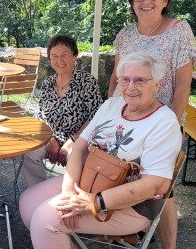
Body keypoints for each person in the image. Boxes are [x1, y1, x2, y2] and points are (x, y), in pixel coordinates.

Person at [19, 51, 182, 249]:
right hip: (89, 182)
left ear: (157, 84)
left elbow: (154, 185)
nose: (130, 87)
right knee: (27, 202)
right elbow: (79, 147)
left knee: (46, 220)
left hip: (131, 205)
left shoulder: (164, 122)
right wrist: (69, 192)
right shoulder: (112, 105)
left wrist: (94, 202)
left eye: (140, 81)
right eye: (125, 80)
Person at [107, 0, 196, 249]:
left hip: (160, 123)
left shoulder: (179, 30)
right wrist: (109, 115)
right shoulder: (125, 35)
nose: (146, 1)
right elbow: (115, 76)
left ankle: (168, 245)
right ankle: (126, 232)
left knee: (161, 187)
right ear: (132, 1)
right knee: (122, 173)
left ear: (165, 0)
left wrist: (172, 125)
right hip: (126, 120)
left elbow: (183, 84)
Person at [21, 35, 102, 187]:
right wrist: (50, 139)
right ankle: (38, 191)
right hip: (51, 138)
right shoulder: (47, 83)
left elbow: (95, 117)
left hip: (80, 141)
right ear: (50, 59)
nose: (60, 60)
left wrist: (72, 142)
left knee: (76, 158)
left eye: (64, 55)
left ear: (75, 56)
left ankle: (70, 194)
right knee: (27, 152)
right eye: (55, 56)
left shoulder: (87, 82)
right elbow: (40, 114)